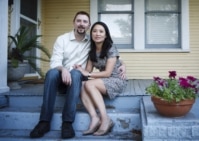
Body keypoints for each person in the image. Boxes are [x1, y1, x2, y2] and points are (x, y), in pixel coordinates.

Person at [29, 11, 126, 139]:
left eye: (85, 22)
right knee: (51, 73)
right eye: (79, 21)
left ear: (88, 25)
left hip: (84, 77)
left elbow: (109, 58)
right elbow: (56, 61)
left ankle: (68, 123)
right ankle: (44, 122)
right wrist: (64, 69)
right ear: (74, 23)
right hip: (61, 74)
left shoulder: (92, 43)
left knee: (77, 76)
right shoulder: (64, 40)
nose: (81, 24)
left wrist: (123, 64)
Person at [75, 21, 128, 136]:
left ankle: (105, 119)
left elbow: (108, 73)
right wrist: (80, 68)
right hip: (104, 80)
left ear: (105, 35)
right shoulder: (92, 52)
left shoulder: (111, 48)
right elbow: (88, 70)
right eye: (94, 31)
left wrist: (87, 74)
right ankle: (94, 118)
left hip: (116, 79)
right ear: (91, 34)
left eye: (101, 31)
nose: (97, 34)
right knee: (82, 84)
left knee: (89, 84)